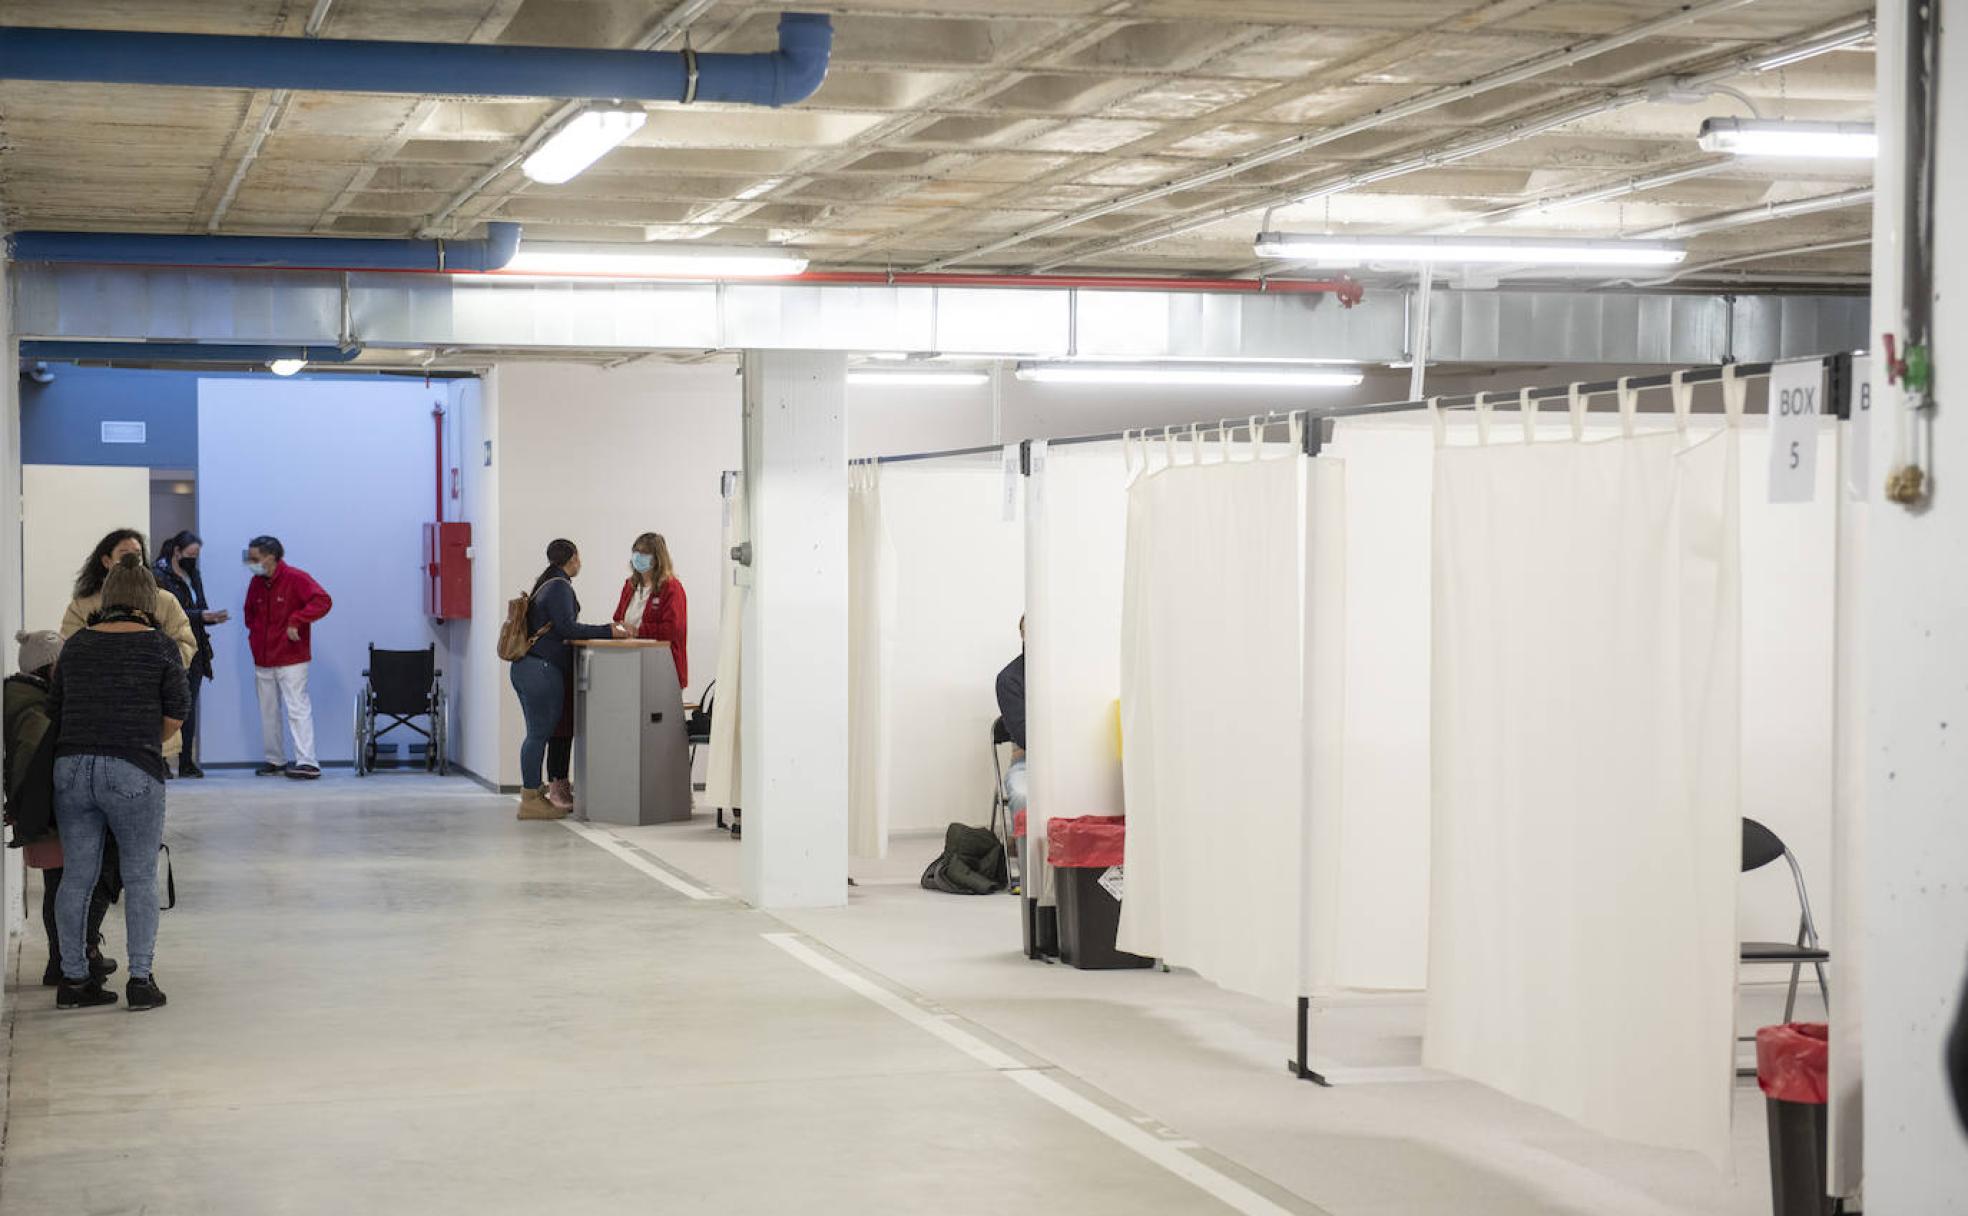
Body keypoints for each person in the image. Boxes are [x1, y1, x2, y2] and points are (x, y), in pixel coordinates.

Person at [47, 556, 189, 1011]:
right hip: (132, 768)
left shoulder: (76, 645)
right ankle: (141, 980)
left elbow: (57, 708)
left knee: (77, 877)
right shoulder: (161, 646)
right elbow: (175, 714)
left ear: (107, 598)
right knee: (140, 876)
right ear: (150, 599)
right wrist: (140, 739)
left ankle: (73, 981)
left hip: (71, 769)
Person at [5, 629, 119, 987]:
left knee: (59, 885)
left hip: (40, 813)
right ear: (51, 668)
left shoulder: (24, 700)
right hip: (49, 813)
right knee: (75, 884)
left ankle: (64, 959)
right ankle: (72, 957)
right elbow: (33, 764)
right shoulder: (35, 710)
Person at [61, 529, 197, 777]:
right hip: (92, 719)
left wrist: (154, 665)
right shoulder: (82, 605)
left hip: (150, 718)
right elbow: (66, 654)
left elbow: (186, 644)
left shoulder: (164, 601)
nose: (133, 561)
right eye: (125, 555)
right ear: (106, 561)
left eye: (137, 555)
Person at [512, 539, 628, 820]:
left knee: (536, 734)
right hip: (542, 669)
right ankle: (530, 798)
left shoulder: (546, 584)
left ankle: (534, 793)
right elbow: (567, 627)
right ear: (573, 558)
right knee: (539, 734)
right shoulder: (560, 587)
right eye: (579, 557)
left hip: (527, 668)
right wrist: (609, 631)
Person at [243, 535, 332, 780]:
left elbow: (323, 600)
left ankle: (307, 762)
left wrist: (297, 621)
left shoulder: (296, 578)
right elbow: (249, 612)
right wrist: (255, 635)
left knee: (297, 708)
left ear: (271, 557)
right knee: (267, 711)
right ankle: (275, 760)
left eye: (255, 558)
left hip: (292, 657)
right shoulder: (256, 583)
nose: (250, 562)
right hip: (263, 658)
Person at [153, 531, 229, 778]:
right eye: (190, 554)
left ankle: (186, 761)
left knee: (188, 706)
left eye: (196, 555)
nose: (193, 559)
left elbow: (199, 607)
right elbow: (166, 613)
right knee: (166, 705)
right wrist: (199, 616)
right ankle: (162, 759)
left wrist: (211, 617)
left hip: (195, 648)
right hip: (170, 646)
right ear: (177, 551)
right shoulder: (159, 575)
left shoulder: (193, 574)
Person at [612, 532, 689, 690]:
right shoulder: (630, 586)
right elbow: (618, 619)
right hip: (630, 664)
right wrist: (619, 630)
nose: (638, 557)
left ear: (657, 558)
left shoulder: (671, 588)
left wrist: (637, 631)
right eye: (636, 552)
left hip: (662, 668)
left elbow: (673, 630)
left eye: (644, 553)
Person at [996, 616, 1027, 821]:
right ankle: (1027, 850)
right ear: (1023, 635)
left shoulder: (1069, 672)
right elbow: (1025, 736)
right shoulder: (1010, 679)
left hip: (1075, 758)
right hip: (1028, 761)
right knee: (1024, 795)